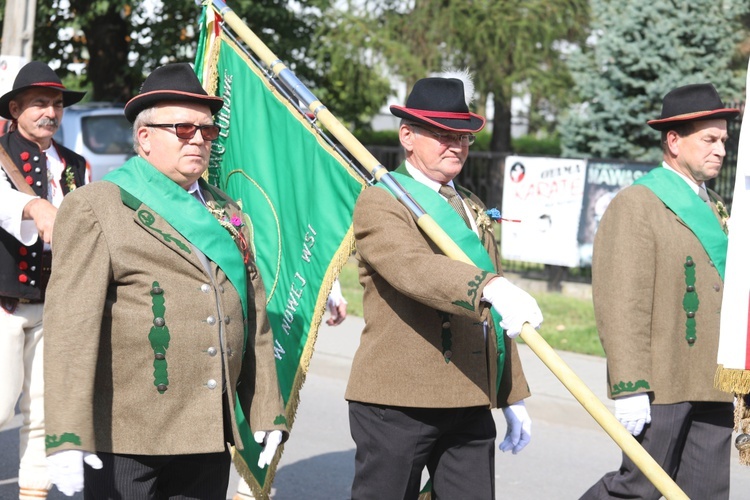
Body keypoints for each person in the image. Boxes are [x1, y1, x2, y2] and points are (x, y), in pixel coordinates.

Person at [41, 62, 288, 498]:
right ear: (144, 137)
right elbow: (70, 327)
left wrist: (267, 410)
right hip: (129, 433)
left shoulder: (227, 212)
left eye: (207, 131)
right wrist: (67, 434)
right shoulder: (97, 205)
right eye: (183, 128)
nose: (198, 139)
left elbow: (254, 319)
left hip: (208, 427)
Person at [345, 73, 543, 499]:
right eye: (440, 134)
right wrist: (489, 287)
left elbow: (498, 315)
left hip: (469, 396)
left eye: (463, 136)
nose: (455, 144)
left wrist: (509, 392)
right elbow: (413, 269)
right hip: (398, 399)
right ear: (407, 135)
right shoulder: (382, 200)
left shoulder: (470, 205)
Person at [581, 83, 738, 500]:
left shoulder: (716, 207)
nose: (721, 149)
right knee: (637, 490)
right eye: (709, 139)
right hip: (662, 383)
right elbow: (621, 302)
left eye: (724, 139)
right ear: (673, 141)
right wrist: (630, 385)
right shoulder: (638, 204)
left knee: (704, 493)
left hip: (711, 379)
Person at [0, 60, 90, 500]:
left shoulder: (77, 164)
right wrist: (33, 207)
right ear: (15, 109)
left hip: (57, 303)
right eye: (39, 103)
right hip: (4, 302)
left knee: (42, 411)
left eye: (57, 103)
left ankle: (33, 492)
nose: (50, 112)